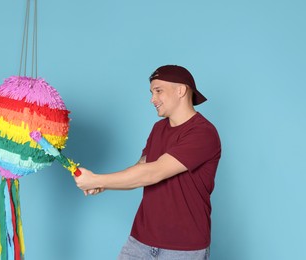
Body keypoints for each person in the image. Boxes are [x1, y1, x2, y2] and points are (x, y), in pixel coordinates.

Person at [74, 65, 221, 260]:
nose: (152, 99)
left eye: (158, 91)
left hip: (183, 248)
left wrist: (97, 179)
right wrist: (103, 183)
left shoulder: (203, 133)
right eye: (152, 92)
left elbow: (154, 172)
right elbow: (141, 170)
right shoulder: (158, 129)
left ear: (181, 90)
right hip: (140, 241)